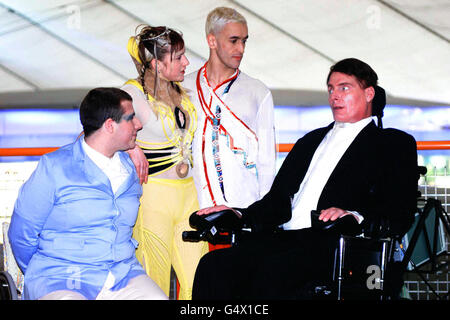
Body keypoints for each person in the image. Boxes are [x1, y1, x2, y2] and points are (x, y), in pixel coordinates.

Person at [192, 58, 418, 299]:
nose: (334, 96)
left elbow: (399, 211)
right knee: (213, 265)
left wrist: (354, 216)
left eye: (344, 88)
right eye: (331, 89)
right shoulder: (309, 142)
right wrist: (238, 214)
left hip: (333, 243)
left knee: (271, 271)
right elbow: (276, 201)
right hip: (284, 238)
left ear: (369, 93)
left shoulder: (392, 144)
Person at [8, 87, 167, 300]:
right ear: (110, 125)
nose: (138, 124)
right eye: (131, 118)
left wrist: (132, 148)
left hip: (122, 274)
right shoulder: (55, 167)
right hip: (61, 277)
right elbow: (21, 232)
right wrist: (41, 272)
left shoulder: (131, 166)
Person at [120, 25, 208, 300]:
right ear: (157, 64)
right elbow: (98, 131)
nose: (187, 62)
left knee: (200, 283)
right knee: (152, 286)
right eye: (179, 57)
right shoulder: (131, 94)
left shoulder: (183, 91)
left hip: (189, 197)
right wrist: (131, 148)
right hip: (152, 198)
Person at [182, 7, 276, 211]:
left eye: (244, 41)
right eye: (234, 41)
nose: (241, 49)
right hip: (192, 206)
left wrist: (263, 212)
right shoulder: (183, 88)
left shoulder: (258, 92)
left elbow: (267, 160)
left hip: (243, 209)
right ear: (212, 41)